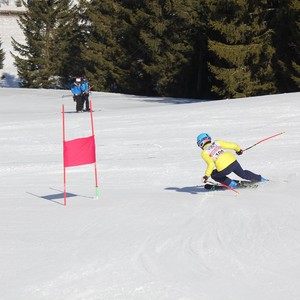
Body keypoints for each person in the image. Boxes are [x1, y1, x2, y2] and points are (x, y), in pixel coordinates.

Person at [197, 133, 268, 188]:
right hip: (233, 161)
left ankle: (232, 184)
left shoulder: (204, 153)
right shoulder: (217, 142)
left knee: (214, 175)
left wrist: (206, 176)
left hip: (224, 168)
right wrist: (238, 150)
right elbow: (233, 145)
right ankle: (261, 179)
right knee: (243, 174)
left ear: (201, 143)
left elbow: (211, 164)